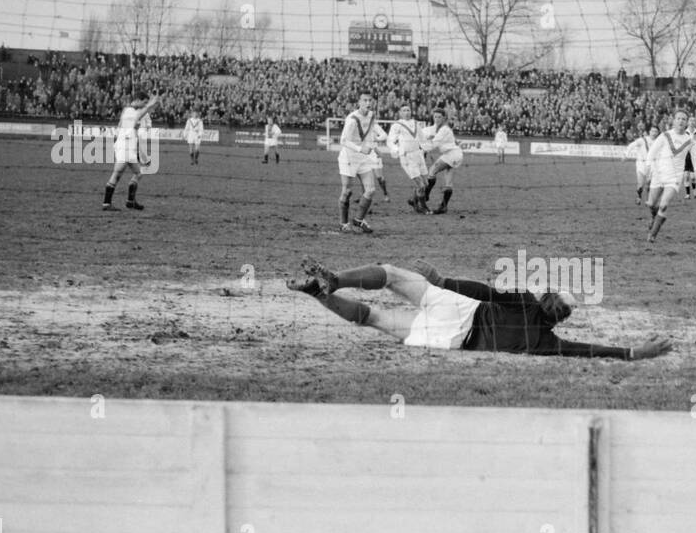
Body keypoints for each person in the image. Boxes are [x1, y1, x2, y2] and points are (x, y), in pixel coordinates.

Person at [286, 256, 672, 360]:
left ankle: (334, 279)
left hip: (459, 306)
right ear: (562, 320)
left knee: (388, 274)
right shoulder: (544, 344)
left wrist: (442, 281)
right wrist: (634, 352)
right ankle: (319, 294)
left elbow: (485, 292)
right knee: (374, 319)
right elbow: (588, 351)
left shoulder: (524, 300)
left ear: (546, 298)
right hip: (451, 340)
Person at [644, 110, 696, 242]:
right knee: (651, 203)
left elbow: (695, 158)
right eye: (678, 118)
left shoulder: (690, 141)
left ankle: (652, 235)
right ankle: (655, 216)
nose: (681, 121)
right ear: (674, 121)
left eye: (684, 119)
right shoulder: (665, 136)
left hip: (674, 178)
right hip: (659, 174)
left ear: (686, 123)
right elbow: (652, 152)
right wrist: (648, 166)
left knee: (663, 205)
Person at [338, 93, 387, 233]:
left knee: (370, 190)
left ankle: (358, 220)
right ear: (359, 102)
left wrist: (375, 146)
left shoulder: (371, 115)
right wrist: (361, 148)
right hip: (349, 158)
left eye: (370, 100)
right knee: (347, 192)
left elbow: (376, 133)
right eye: (365, 100)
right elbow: (343, 140)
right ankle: (343, 223)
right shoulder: (352, 119)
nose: (368, 102)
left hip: (363, 158)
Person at [102, 93, 158, 211]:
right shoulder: (130, 111)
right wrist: (150, 104)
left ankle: (130, 201)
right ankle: (106, 203)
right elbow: (141, 112)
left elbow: (122, 125)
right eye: (143, 102)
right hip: (125, 147)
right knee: (117, 174)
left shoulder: (127, 110)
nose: (143, 105)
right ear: (138, 100)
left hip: (129, 146)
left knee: (138, 173)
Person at [387, 101, 430, 213]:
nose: (406, 112)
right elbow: (390, 140)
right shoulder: (397, 125)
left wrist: (425, 149)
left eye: (408, 110)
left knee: (426, 184)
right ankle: (423, 208)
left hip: (418, 155)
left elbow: (423, 139)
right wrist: (396, 150)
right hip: (407, 157)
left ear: (411, 112)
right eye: (404, 110)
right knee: (420, 185)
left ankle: (414, 201)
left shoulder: (416, 123)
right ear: (400, 113)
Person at [421, 107, 462, 214]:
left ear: (444, 118)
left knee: (432, 171)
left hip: (451, 154)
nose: (437, 119)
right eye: (435, 117)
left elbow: (434, 143)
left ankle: (425, 196)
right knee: (448, 182)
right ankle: (443, 206)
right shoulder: (437, 128)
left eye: (439, 117)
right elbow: (427, 132)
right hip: (454, 155)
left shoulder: (444, 129)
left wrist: (423, 148)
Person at [624, 125, 657, 205]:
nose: (654, 133)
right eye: (652, 131)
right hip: (641, 164)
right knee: (640, 183)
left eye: (656, 131)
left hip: (652, 165)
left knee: (649, 183)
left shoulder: (658, 142)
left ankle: (649, 200)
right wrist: (625, 155)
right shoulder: (642, 140)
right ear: (649, 132)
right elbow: (631, 145)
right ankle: (639, 197)